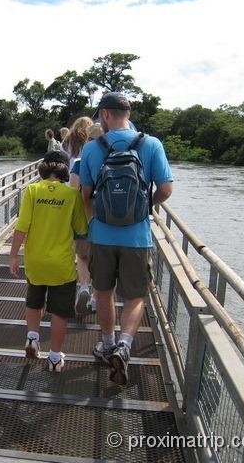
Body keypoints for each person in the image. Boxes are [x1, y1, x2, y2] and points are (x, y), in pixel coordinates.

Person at [80, 92, 173, 385]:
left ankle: (107, 344)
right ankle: (125, 344)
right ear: (127, 113)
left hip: (102, 235)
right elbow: (166, 189)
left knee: (104, 292)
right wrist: (145, 208)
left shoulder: (93, 148)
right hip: (137, 236)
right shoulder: (151, 144)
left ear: (105, 115)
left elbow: (85, 193)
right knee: (134, 296)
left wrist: (96, 218)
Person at [9, 151, 88, 372]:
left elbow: (21, 226)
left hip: (35, 262)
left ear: (44, 168)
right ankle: (54, 358)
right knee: (59, 311)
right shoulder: (72, 195)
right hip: (61, 265)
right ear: (65, 168)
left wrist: (14, 255)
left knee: (34, 300)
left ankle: (33, 338)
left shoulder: (32, 190)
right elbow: (81, 228)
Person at [62, 116, 96, 315]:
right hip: (106, 216)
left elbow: (74, 189)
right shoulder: (104, 157)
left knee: (82, 255)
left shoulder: (71, 149)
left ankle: (83, 286)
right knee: (101, 259)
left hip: (82, 211)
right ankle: (95, 297)